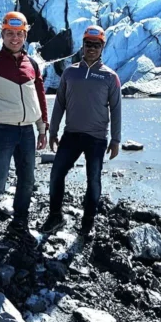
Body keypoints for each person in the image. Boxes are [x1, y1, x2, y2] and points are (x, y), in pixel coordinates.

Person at [0, 11, 48, 267]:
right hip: (1, 130)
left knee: (27, 181)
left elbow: (39, 97)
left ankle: (18, 225)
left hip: (27, 131)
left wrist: (42, 128)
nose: (15, 38)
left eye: (19, 34)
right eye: (10, 33)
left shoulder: (32, 64)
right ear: (2, 34)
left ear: (25, 36)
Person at [41, 24, 121, 238]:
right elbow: (59, 103)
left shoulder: (110, 77)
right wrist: (53, 131)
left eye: (96, 45)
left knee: (93, 180)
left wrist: (116, 140)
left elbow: (116, 109)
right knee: (56, 174)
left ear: (102, 47)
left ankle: (88, 222)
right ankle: (55, 216)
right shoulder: (70, 72)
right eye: (88, 44)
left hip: (97, 138)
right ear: (83, 45)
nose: (92, 48)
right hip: (71, 135)